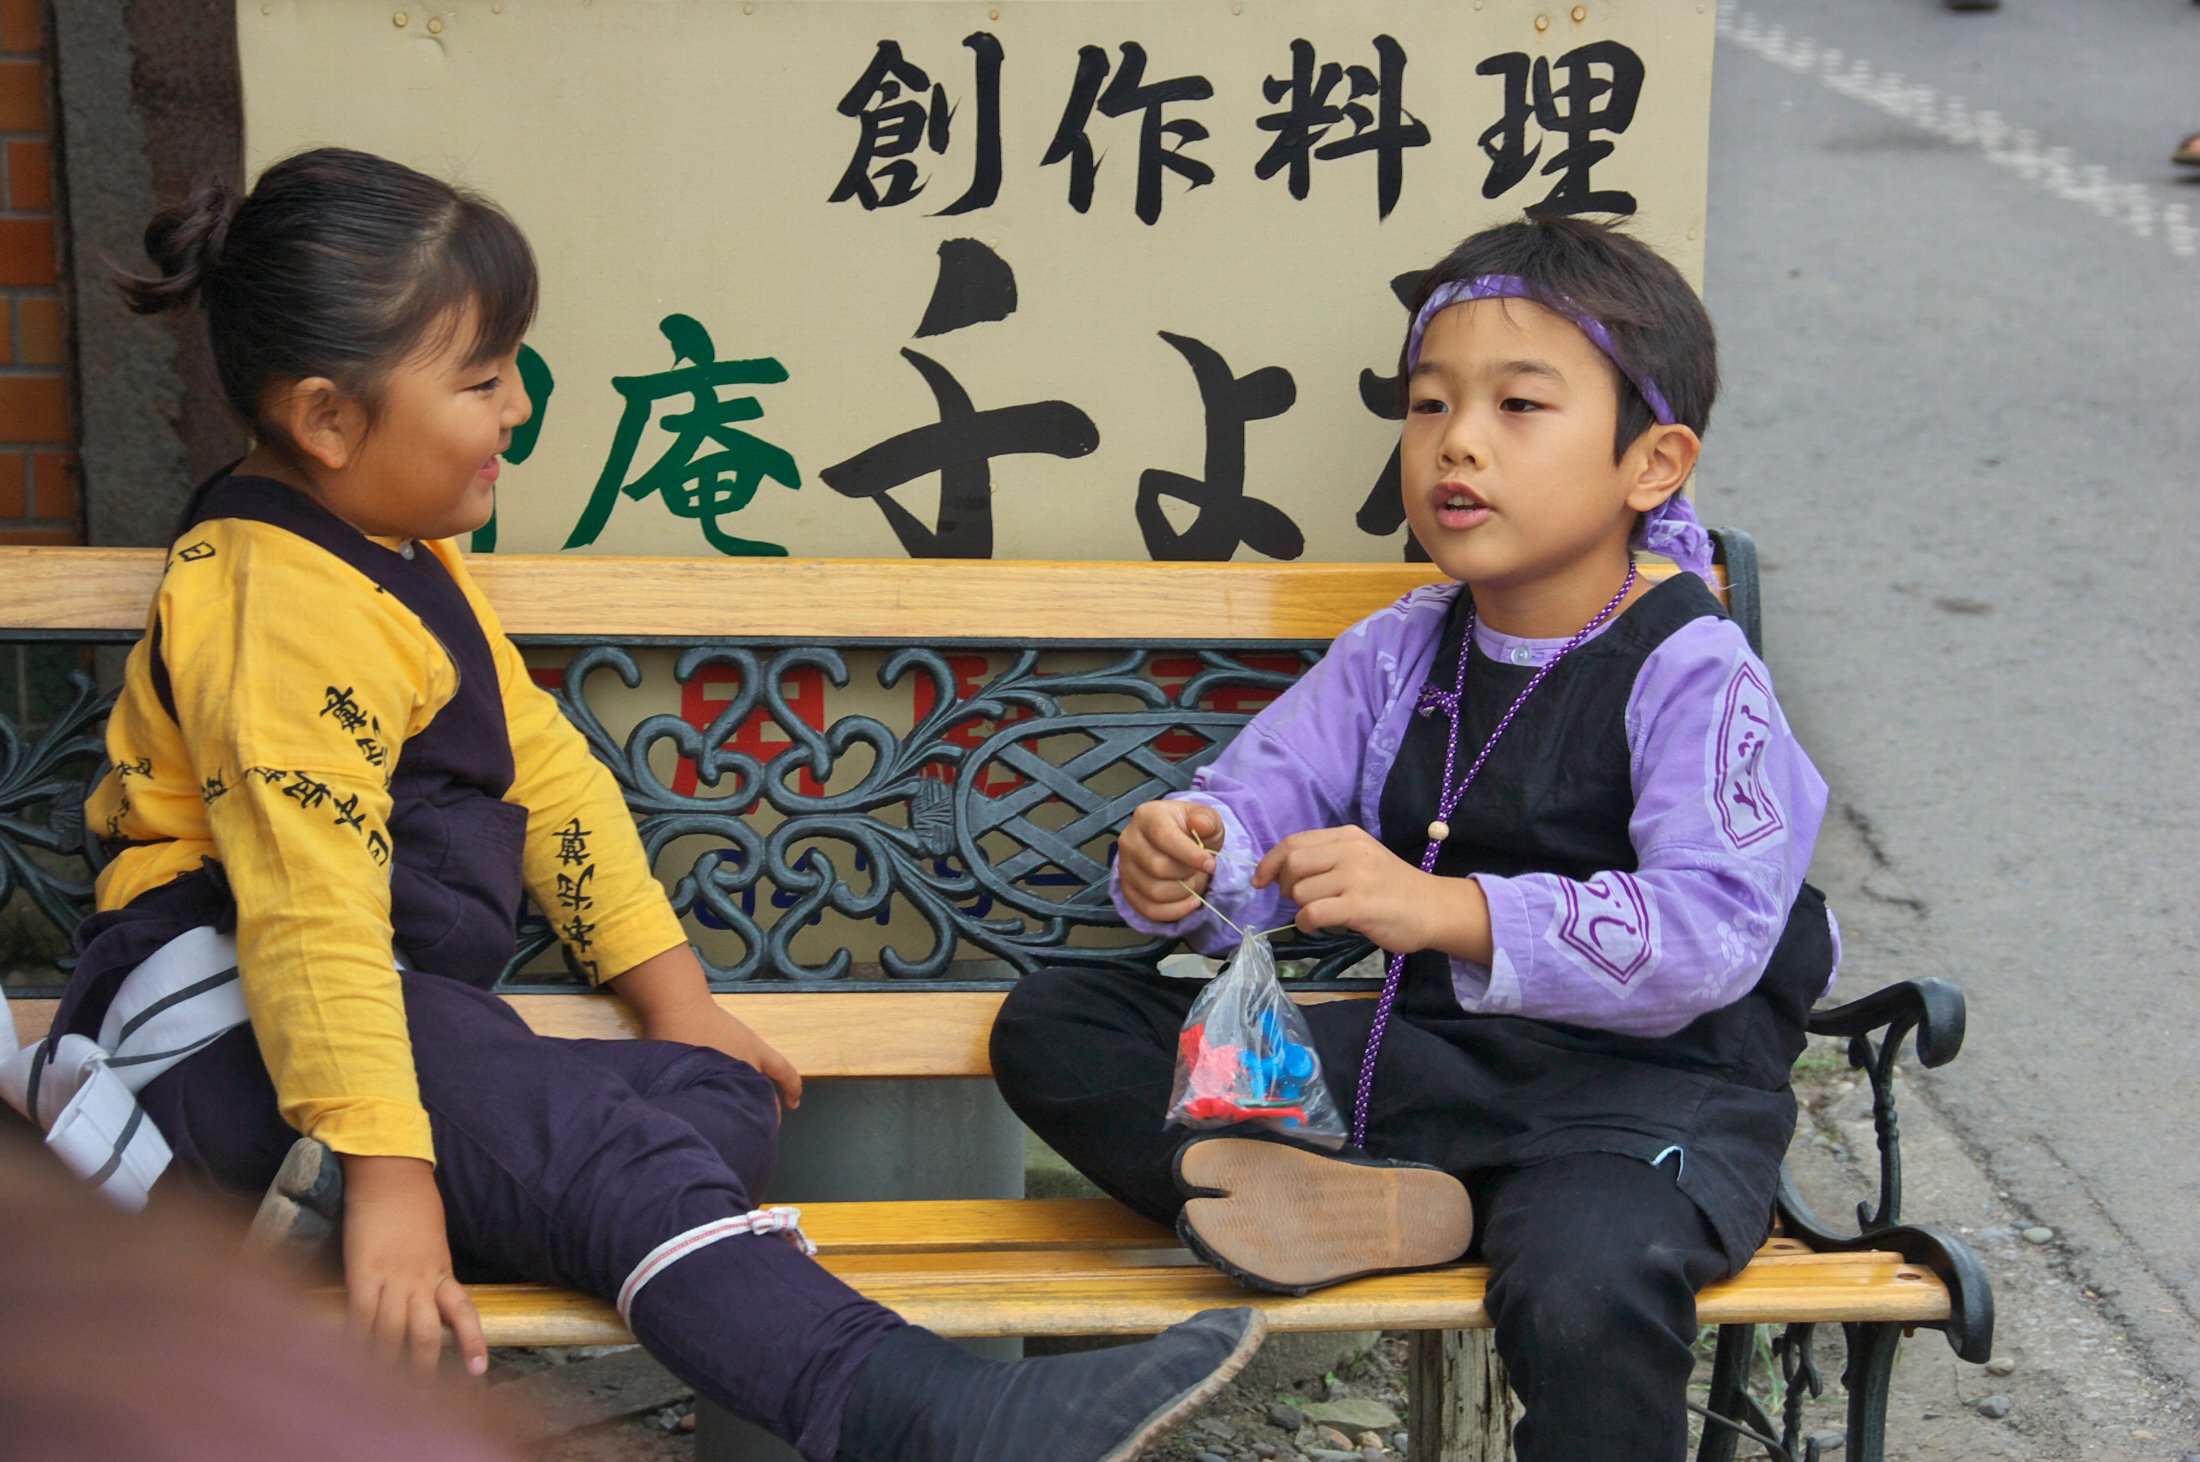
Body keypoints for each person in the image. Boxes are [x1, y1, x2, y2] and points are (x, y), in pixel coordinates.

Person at [0, 147, 1260, 1462]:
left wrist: (677, 1000)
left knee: (707, 1102)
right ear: (328, 420)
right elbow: (309, 908)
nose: (516, 406)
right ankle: (926, 1414)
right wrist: (390, 1175)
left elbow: (544, 778)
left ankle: (328, 1202)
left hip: (365, 1033)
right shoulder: (274, 598)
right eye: (482, 380)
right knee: (606, 1155)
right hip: (227, 1037)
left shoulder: (403, 562)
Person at [991, 216, 1839, 1462]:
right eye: (1429, 402)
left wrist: (1444, 910)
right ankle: (1376, 1205)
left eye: (1519, 405)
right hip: (1423, 1071)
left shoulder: (1694, 668)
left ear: (1651, 461)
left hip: (1637, 1112)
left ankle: (1414, 1210)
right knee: (1061, 1025)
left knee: (1585, 1279)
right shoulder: (1404, 646)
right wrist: (1188, 854)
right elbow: (1259, 802)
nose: (1458, 441)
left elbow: (1712, 930)